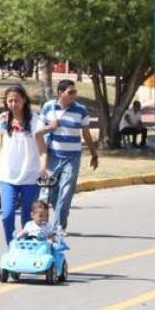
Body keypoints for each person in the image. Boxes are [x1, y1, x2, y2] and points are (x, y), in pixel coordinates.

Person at [39, 79, 99, 233]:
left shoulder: (80, 110)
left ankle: (57, 226)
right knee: (51, 191)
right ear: (60, 93)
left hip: (72, 157)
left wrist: (94, 154)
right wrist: (50, 127)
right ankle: (62, 218)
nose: (73, 95)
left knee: (66, 192)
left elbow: (86, 134)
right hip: (52, 155)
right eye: (70, 92)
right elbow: (38, 131)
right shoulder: (48, 107)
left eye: (75, 92)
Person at [0, 85, 45, 245]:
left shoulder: (35, 121)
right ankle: (11, 245)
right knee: (7, 214)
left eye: (16, 100)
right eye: (9, 101)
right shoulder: (2, 120)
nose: (13, 104)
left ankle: (26, 246)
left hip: (30, 176)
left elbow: (42, 149)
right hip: (8, 175)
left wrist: (43, 168)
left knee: (27, 217)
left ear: (24, 100)